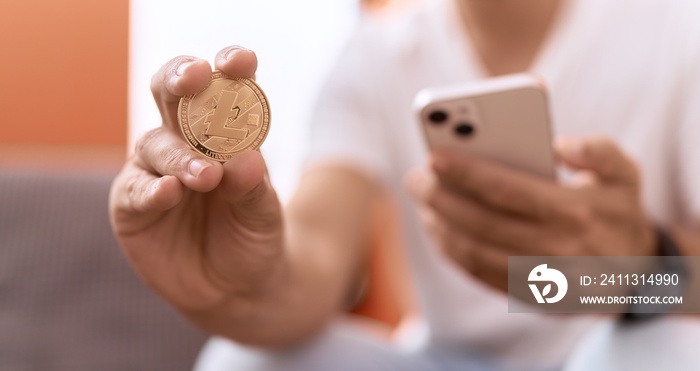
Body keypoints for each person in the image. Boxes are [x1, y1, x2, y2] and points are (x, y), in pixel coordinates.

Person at [109, 0, 700, 369]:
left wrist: (646, 269)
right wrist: (234, 287)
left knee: (672, 353)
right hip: (445, 361)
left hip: (617, 351)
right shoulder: (376, 54)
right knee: (241, 361)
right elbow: (311, 263)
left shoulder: (677, 28)